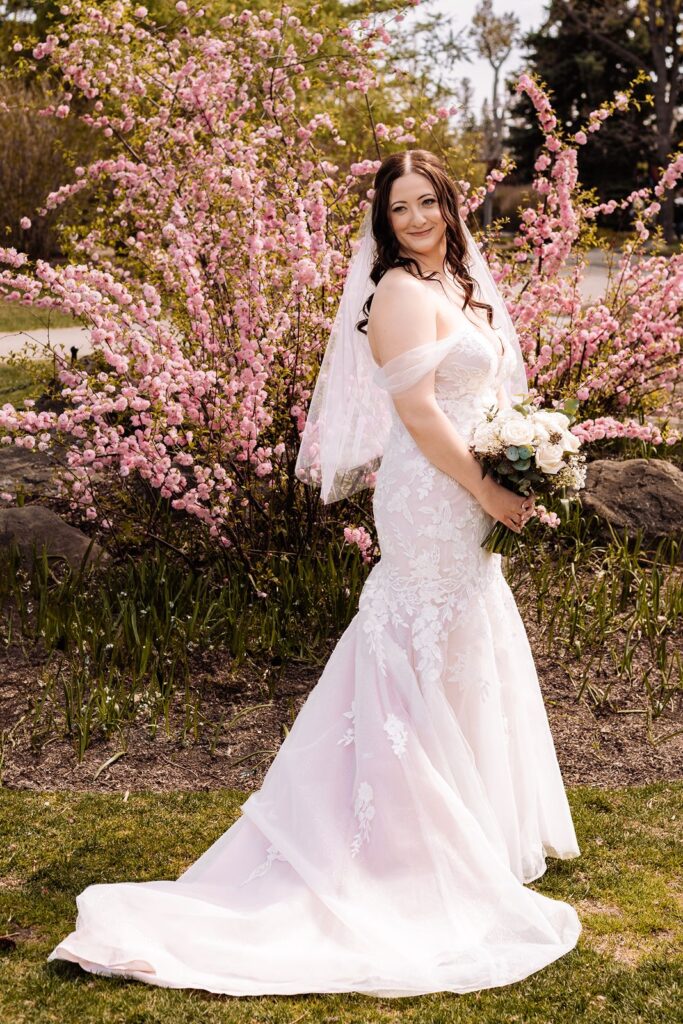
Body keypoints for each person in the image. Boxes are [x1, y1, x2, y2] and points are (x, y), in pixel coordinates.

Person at [48, 149, 582, 998]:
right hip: (430, 493)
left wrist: (519, 455)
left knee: (457, 641)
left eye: (425, 202)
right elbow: (416, 416)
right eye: (397, 208)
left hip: (465, 493)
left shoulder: (457, 285)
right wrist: (484, 480)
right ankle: (400, 845)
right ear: (383, 221)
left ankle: (465, 831)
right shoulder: (401, 294)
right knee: (414, 637)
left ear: (448, 204)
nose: (413, 219)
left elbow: (478, 400)